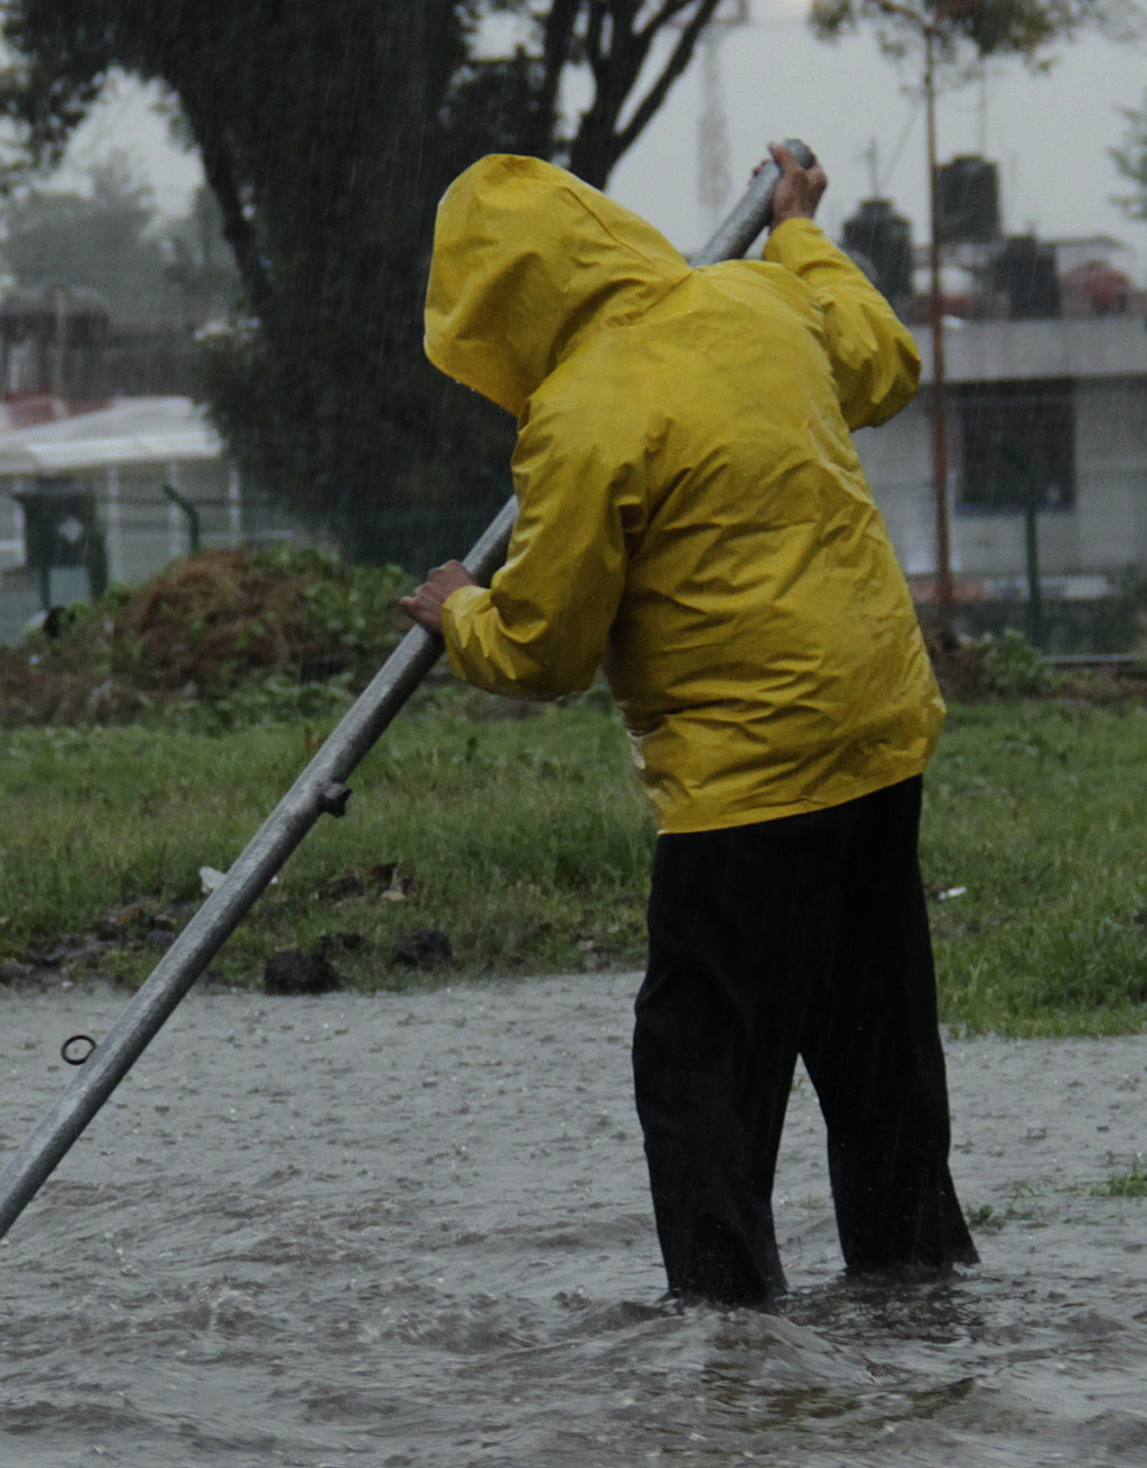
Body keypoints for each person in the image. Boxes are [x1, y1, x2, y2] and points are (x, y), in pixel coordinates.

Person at [396, 144, 975, 1307]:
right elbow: (881, 358)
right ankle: (917, 1303)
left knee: (701, 1071)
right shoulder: (760, 300)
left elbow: (545, 651)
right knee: (877, 1059)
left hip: (745, 788)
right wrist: (797, 230)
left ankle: (726, 1334)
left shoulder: (581, 413)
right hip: (875, 738)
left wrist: (460, 608)